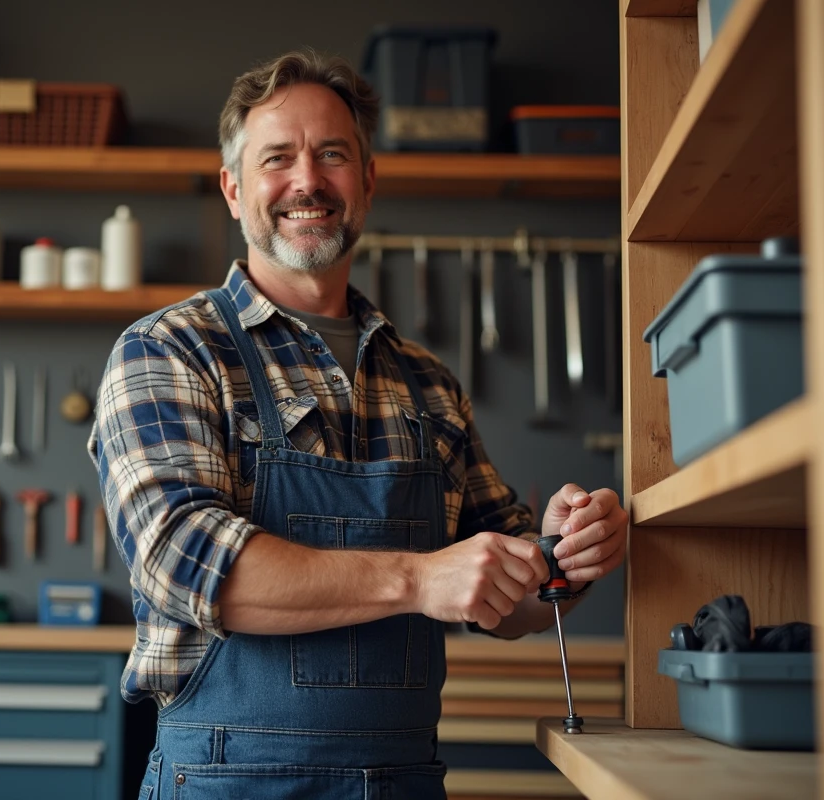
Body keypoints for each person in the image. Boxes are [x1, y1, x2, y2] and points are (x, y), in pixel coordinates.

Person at [88, 47, 628, 799]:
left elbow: (514, 598)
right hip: (225, 780)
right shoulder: (172, 350)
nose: (307, 180)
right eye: (277, 157)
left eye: (332, 155)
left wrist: (564, 552)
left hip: (403, 781)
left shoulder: (428, 383)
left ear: (367, 183)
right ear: (234, 189)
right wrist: (418, 577)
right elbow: (184, 560)